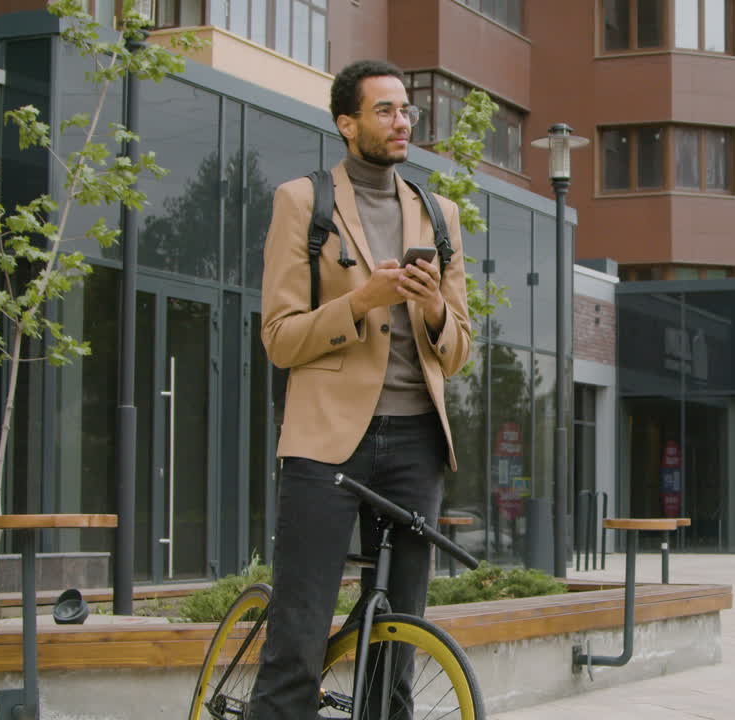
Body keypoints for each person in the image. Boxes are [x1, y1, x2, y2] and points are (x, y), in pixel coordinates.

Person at [249, 59, 471, 719]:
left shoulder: (440, 214)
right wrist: (364, 301)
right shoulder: (302, 200)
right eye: (385, 110)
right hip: (326, 443)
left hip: (417, 442)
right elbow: (281, 339)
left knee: (397, 638)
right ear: (346, 123)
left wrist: (431, 311)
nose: (401, 121)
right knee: (300, 625)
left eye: (406, 109)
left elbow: (458, 348)